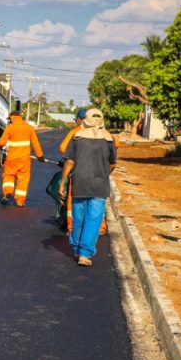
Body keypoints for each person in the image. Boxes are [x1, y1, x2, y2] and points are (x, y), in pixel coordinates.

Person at [58, 108, 116, 266]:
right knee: (94, 220)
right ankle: (85, 253)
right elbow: (112, 164)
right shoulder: (109, 139)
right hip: (99, 185)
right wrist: (103, 174)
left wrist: (63, 182)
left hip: (80, 184)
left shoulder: (77, 138)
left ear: (85, 120)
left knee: (79, 217)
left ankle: (77, 248)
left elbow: (69, 162)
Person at [0, 111, 44, 207]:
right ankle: (20, 202)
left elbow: (2, 143)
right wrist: (40, 156)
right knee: (23, 179)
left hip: (12, 158)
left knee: (8, 176)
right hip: (25, 160)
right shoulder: (29, 128)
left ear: (12, 118)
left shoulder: (10, 128)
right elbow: (35, 143)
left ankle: (8, 192)